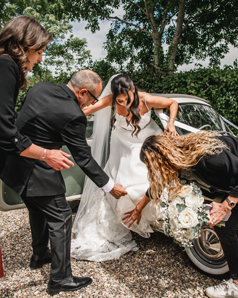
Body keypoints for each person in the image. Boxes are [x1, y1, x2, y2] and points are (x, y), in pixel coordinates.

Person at [0, 16, 74, 298]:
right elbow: (4, 132)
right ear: (25, 45)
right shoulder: (3, 65)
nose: (40, 58)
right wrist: (46, 154)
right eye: (40, 51)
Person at [1, 69, 129, 295]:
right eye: (93, 98)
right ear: (82, 92)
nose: (93, 103)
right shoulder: (74, 115)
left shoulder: (40, 88)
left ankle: (40, 254)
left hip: (14, 163)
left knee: (37, 210)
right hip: (37, 172)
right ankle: (60, 278)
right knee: (61, 218)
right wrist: (109, 186)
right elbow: (84, 158)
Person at [125, 131, 238, 298]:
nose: (154, 171)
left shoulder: (206, 156)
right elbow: (158, 186)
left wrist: (225, 206)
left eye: (152, 166)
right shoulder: (181, 160)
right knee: (225, 226)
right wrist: (138, 209)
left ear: (162, 160)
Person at [70, 74, 179, 261]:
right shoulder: (110, 100)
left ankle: (151, 214)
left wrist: (171, 123)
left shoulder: (146, 99)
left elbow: (172, 103)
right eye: (120, 101)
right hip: (121, 144)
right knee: (125, 181)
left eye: (127, 99)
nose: (125, 105)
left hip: (145, 142)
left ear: (133, 90)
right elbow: (86, 110)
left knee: (147, 177)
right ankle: (129, 214)